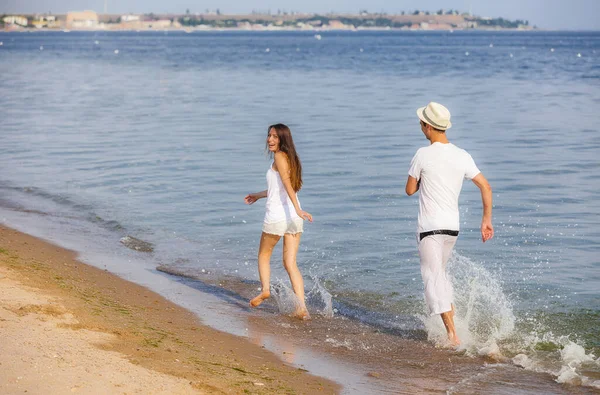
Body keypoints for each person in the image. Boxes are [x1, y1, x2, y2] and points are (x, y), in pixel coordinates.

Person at [405, 102, 493, 346]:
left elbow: (410, 190)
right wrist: (486, 220)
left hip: (429, 228)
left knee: (433, 278)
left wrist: (424, 180)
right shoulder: (462, 155)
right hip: (452, 228)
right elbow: (486, 186)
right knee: (440, 276)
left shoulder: (422, 154)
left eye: (421, 123)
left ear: (427, 127)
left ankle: (453, 336)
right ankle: (456, 330)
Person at [244, 123, 313, 320]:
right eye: (269, 136)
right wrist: (258, 195)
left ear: (283, 139)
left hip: (278, 216)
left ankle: (265, 290)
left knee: (264, 255)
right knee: (290, 263)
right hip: (292, 218)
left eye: (274, 136)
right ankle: (302, 308)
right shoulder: (292, 159)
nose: (270, 140)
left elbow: (285, 185)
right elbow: (279, 189)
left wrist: (299, 209)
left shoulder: (279, 157)